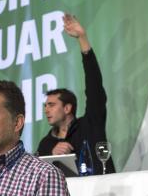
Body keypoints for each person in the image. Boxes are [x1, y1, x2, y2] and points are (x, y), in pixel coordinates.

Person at [36, 13, 115, 175]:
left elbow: (95, 88)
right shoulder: (46, 144)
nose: (46, 110)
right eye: (45, 106)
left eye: (51, 105)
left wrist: (82, 39)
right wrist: (52, 154)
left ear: (67, 108)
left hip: (101, 194)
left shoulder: (91, 124)